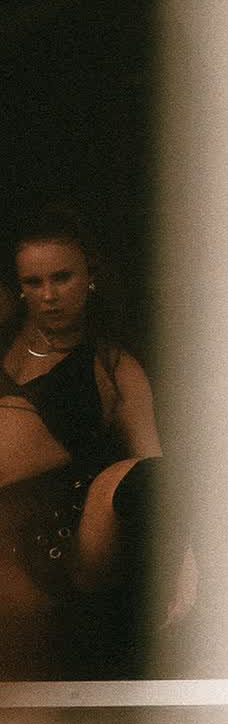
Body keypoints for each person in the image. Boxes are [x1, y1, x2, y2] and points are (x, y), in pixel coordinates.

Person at [0, 208, 191, 675]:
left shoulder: (113, 365)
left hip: (66, 538)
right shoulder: (5, 341)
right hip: (7, 529)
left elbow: (154, 470)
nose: (48, 296)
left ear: (90, 277)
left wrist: (186, 566)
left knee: (143, 478)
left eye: (62, 278)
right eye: (33, 283)